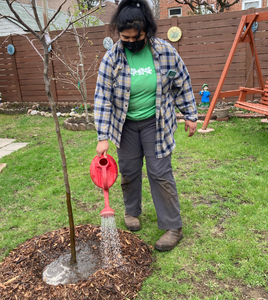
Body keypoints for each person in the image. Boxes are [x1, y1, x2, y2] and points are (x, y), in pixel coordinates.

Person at [94, 0, 197, 252]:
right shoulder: (112, 58)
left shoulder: (165, 52)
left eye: (135, 36)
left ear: (146, 31)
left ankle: (173, 227)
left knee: (160, 173)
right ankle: (132, 212)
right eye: (124, 37)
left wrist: (190, 114)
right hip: (125, 125)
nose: (130, 41)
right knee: (129, 172)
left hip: (156, 122)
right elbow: (102, 98)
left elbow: (181, 82)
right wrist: (103, 135)